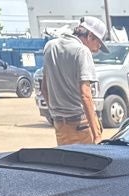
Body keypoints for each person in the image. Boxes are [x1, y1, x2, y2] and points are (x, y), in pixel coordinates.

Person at [40, 17, 107, 146]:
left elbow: (44, 89)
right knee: (90, 164)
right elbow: (85, 95)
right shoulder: (82, 51)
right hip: (81, 125)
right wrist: (97, 135)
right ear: (90, 35)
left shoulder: (50, 47)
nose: (98, 48)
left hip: (60, 126)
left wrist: (56, 115)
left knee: (69, 164)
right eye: (98, 43)